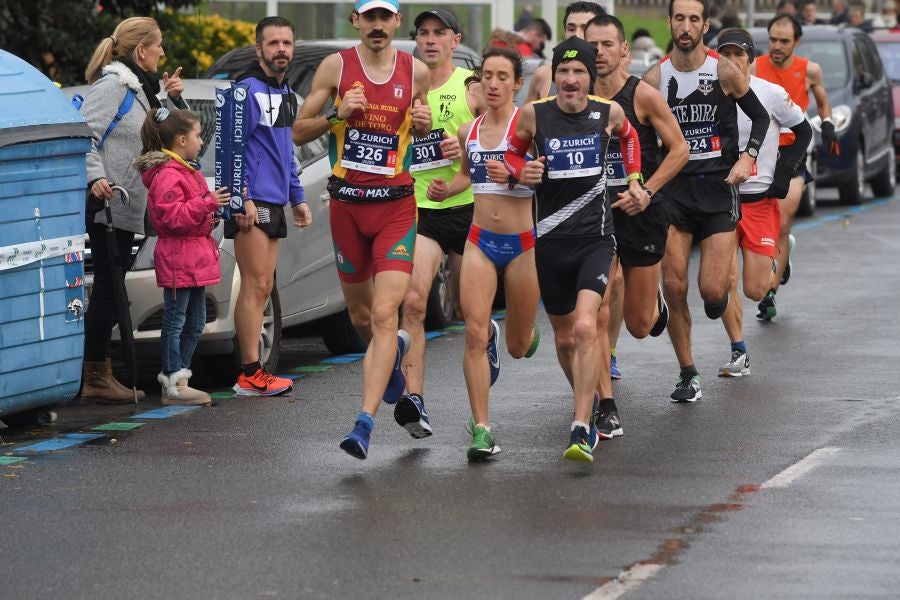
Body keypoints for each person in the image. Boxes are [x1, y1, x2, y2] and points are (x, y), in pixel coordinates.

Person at [293, 0, 432, 460]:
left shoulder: (416, 71)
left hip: (396, 207)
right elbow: (296, 131)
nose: (376, 25)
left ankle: (364, 423)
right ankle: (392, 358)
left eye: (384, 17)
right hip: (348, 208)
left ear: (396, 21)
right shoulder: (336, 66)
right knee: (360, 318)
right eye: (367, 17)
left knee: (385, 314)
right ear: (356, 21)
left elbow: (421, 124)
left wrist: (427, 123)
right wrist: (337, 114)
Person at [496, 37, 644, 462]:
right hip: (550, 242)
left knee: (584, 326)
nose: (571, 79)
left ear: (590, 78)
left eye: (579, 72)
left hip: (596, 239)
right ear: (554, 76)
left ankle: (582, 425)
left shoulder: (608, 112)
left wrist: (634, 179)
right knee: (564, 339)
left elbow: (631, 138)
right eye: (564, 71)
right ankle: (591, 400)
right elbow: (509, 156)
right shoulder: (534, 115)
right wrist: (522, 171)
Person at [642, 0, 770, 403]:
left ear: (704, 25)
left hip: (717, 186)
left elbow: (761, 118)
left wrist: (747, 158)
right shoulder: (655, 77)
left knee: (713, 292)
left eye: (693, 19)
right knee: (675, 284)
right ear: (670, 23)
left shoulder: (723, 70)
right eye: (679, 18)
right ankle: (687, 373)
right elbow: (641, 135)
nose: (685, 26)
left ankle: (717, 308)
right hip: (674, 190)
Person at [428, 46, 541, 462]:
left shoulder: (528, 126)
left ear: (516, 83)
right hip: (479, 240)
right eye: (486, 76)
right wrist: (448, 190)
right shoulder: (468, 131)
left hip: (522, 245)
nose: (492, 84)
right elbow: (465, 176)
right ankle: (482, 428)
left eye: (501, 77)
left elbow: (548, 179)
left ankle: (516, 334)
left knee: (517, 346)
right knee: (472, 333)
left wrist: (515, 174)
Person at [585, 14, 688, 425]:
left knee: (641, 325)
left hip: (641, 213)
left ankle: (653, 303)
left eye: (608, 44)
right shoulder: (574, 96)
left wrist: (646, 190)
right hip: (593, 217)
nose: (600, 53)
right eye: (593, 45)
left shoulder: (641, 95)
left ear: (624, 50)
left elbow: (679, 149)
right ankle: (603, 404)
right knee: (598, 307)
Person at [79, 16, 187, 404]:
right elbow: (84, 136)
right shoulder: (113, 87)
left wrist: (173, 100)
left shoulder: (143, 90)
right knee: (109, 290)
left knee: (113, 288)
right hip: (106, 204)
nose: (162, 51)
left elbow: (181, 140)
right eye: (158, 45)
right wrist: (95, 178)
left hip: (125, 207)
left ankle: (97, 371)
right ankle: (95, 374)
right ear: (141, 50)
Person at [715, 29, 812, 377]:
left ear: (751, 59)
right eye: (724, 55)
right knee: (724, 279)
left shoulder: (770, 94)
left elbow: (804, 132)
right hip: (722, 204)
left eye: (738, 55)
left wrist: (784, 172)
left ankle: (779, 258)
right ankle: (738, 350)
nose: (732, 62)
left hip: (758, 203)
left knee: (755, 289)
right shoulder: (710, 93)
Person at [400, 8, 478, 420]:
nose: (430, 40)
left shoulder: (471, 86)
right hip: (420, 209)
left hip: (466, 209)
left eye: (439, 33)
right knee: (414, 302)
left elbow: (502, 143)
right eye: (423, 33)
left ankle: (490, 336)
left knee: (470, 311)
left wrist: (460, 148)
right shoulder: (402, 87)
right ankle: (415, 401)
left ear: (454, 39)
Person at [228, 17, 312, 397]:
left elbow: (285, 151)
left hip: (276, 200)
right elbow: (234, 150)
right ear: (258, 48)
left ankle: (253, 372)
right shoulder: (245, 91)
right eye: (274, 42)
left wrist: (298, 198)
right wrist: (241, 196)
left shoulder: (286, 93)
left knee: (263, 286)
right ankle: (249, 372)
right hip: (253, 200)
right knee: (255, 284)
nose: (282, 49)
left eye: (287, 43)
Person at [133, 108, 231, 404]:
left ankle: (180, 378)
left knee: (196, 320)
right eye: (198, 135)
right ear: (180, 140)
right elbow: (172, 218)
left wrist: (212, 208)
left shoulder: (188, 170)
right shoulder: (166, 176)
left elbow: (193, 209)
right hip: (179, 257)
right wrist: (207, 204)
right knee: (176, 321)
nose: (202, 141)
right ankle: (173, 382)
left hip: (194, 255)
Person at [753, 15, 837, 320]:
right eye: (772, 39)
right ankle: (779, 258)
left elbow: (823, 102)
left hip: (794, 151)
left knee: (783, 220)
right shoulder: (754, 67)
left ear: (796, 42)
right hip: (762, 152)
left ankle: (770, 293)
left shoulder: (810, 70)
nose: (776, 46)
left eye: (784, 41)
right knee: (762, 221)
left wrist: (827, 126)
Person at [526, 1, 607, 103]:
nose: (576, 35)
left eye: (585, 28)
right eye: (571, 29)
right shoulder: (544, 75)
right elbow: (526, 117)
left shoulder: (609, 76)